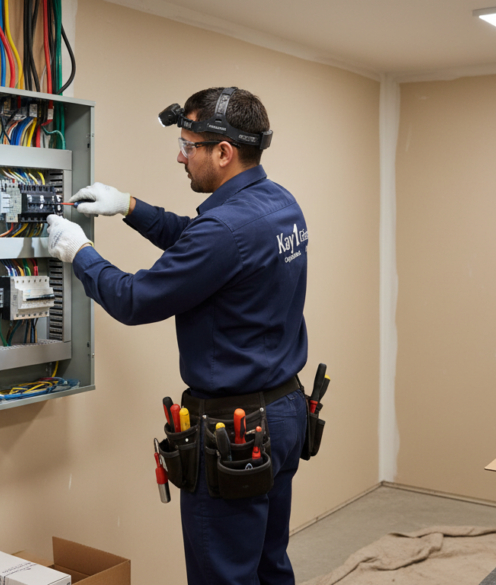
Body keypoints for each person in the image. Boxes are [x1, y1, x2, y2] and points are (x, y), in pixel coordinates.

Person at [46, 87, 309, 585]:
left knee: (223, 575)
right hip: (284, 412)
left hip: (234, 431)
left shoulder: (225, 229)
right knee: (269, 563)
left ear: (224, 152)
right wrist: (128, 206)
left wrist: (79, 252)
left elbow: (134, 299)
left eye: (189, 146)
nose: (180, 156)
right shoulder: (278, 203)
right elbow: (201, 242)